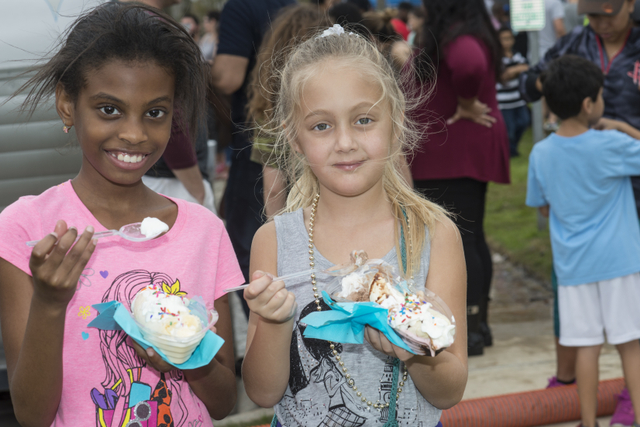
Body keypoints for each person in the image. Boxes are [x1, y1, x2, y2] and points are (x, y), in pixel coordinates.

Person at [0, 3, 243, 426]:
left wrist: (183, 353)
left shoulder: (203, 230)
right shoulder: (27, 229)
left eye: (155, 112)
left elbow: (225, 404)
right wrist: (50, 302)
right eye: (109, 109)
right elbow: (31, 414)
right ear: (67, 104)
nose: (134, 133)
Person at [242, 24, 468, 427]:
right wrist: (275, 323)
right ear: (294, 138)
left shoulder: (434, 235)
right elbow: (262, 392)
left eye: (363, 120)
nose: (345, 142)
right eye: (321, 126)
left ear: (395, 123)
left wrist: (413, 349)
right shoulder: (274, 241)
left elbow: (450, 391)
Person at [520, 1, 640, 422]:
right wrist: (626, 129)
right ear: (591, 104)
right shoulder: (614, 145)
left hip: (573, 269)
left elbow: (542, 205)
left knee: (586, 347)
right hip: (622, 262)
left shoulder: (540, 153)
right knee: (631, 344)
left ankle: (587, 421)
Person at [412, 0, 510, 356]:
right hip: (454, 151)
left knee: (460, 241)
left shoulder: (459, 36)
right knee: (470, 237)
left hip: (452, 153)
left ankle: (469, 329)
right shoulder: (463, 30)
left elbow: (468, 65)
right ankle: (477, 324)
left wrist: (466, 100)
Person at [211, 0, 295, 317]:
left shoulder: (241, 8)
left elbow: (228, 77)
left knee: (254, 248)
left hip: (255, 144)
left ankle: (272, 343)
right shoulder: (299, 5)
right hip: (307, 137)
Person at [247, 4, 330, 220]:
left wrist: (277, 236)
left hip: (304, 221)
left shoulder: (269, 111)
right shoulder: (340, 101)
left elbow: (273, 188)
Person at [496, 25, 530, 157]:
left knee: (523, 122)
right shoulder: (497, 57)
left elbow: (526, 66)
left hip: (518, 98)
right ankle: (509, 151)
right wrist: (516, 70)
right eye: (504, 39)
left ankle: (512, 149)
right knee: (509, 129)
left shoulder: (517, 54)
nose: (507, 42)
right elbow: (502, 76)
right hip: (504, 101)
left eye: (509, 38)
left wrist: (513, 70)